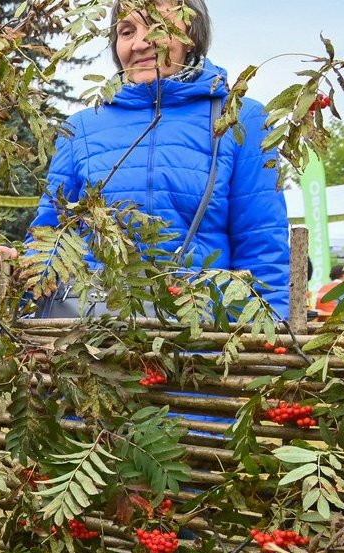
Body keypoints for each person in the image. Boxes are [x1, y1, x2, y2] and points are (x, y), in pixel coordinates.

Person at [31, 0, 289, 317]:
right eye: (127, 31)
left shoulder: (239, 118)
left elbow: (262, 247)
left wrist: (268, 332)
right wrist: (15, 283)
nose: (140, 43)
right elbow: (47, 239)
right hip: (92, 334)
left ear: (191, 31)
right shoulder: (81, 128)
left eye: (155, 25)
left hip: (202, 334)